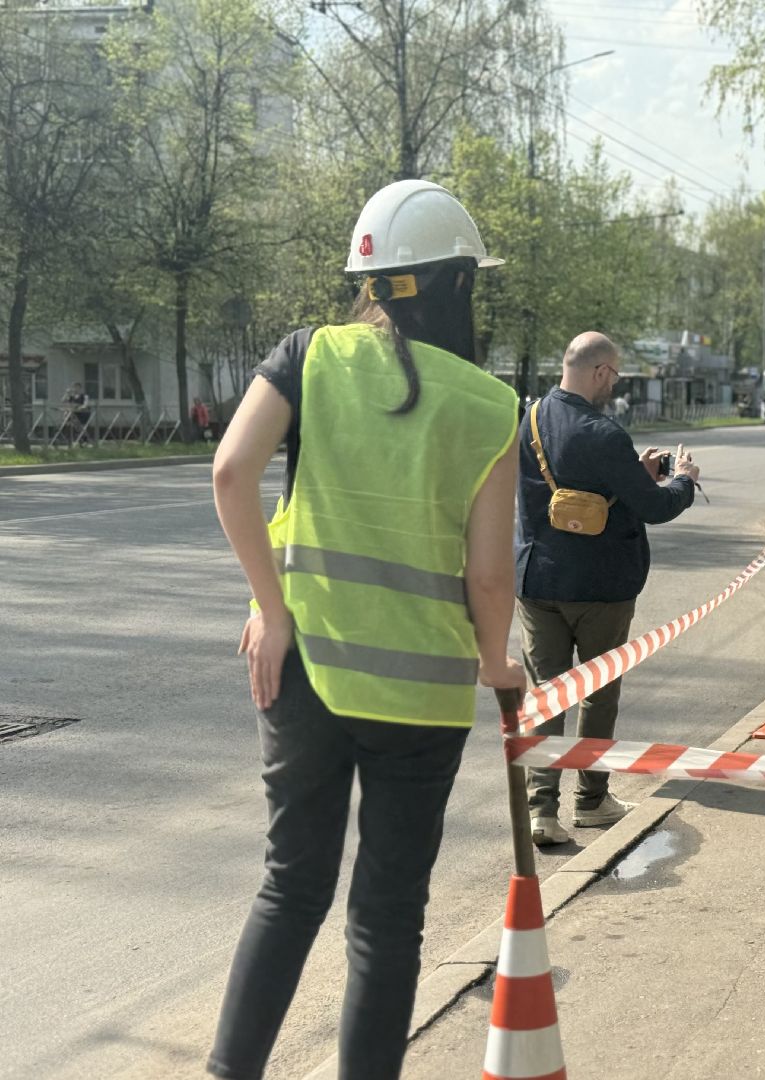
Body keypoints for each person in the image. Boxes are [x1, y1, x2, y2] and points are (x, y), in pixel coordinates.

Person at [207, 179, 524, 1079]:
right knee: (388, 920)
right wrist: (496, 661)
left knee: (290, 887)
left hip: (304, 673)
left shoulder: (308, 356)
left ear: (370, 282)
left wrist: (272, 611)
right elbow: (489, 575)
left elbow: (231, 474)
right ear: (458, 283)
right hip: (422, 698)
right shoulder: (489, 406)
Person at [516, 331, 700, 846]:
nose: (613, 386)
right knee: (597, 694)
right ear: (600, 371)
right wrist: (683, 479)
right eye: (614, 376)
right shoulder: (605, 432)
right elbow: (656, 507)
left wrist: (632, 475)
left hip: (537, 579)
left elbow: (578, 487)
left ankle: (540, 811)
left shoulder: (528, 420)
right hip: (601, 587)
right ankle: (591, 801)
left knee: (546, 695)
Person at [61, 382, 92, 446]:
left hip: (83, 413)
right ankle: (82, 437)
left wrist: (79, 408)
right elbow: (63, 401)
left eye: (77, 387)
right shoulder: (72, 397)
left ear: (80, 388)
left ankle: (84, 438)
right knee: (68, 415)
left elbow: (85, 405)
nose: (75, 389)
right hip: (74, 414)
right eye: (74, 387)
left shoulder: (84, 396)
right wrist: (67, 393)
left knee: (76, 424)